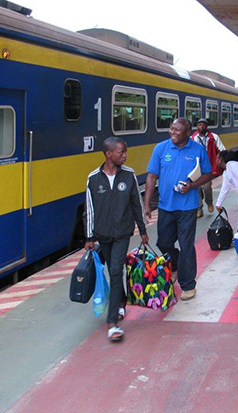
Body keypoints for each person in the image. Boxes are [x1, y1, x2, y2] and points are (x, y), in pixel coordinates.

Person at [83, 137, 148, 342]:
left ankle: (112, 323)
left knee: (115, 270)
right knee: (113, 270)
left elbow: (137, 204)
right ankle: (121, 302)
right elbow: (90, 210)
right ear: (109, 154)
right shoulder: (93, 178)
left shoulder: (129, 175)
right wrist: (89, 236)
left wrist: (143, 230)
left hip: (122, 233)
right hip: (103, 234)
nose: (125, 156)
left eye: (125, 152)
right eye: (121, 152)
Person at [144, 118, 212, 301]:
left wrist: (192, 186)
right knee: (163, 243)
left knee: (186, 245)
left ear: (188, 133)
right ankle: (175, 264)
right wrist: (147, 204)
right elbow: (151, 176)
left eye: (177, 130)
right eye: (171, 129)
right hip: (165, 205)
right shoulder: (161, 148)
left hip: (188, 207)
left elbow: (207, 174)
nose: (172, 132)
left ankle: (188, 285)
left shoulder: (198, 150)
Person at [191, 118, 226, 218]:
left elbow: (222, 150)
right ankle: (199, 208)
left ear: (207, 126)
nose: (201, 127)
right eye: (199, 125)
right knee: (196, 188)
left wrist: (220, 160)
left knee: (206, 187)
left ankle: (209, 202)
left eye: (203, 125)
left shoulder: (214, 137)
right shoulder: (192, 138)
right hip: (196, 167)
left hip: (208, 166)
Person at [214, 149, 238, 231]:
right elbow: (224, 189)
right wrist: (218, 204)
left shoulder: (232, 165)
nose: (216, 161)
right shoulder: (226, 172)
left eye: (217, 158)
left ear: (220, 159)